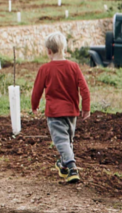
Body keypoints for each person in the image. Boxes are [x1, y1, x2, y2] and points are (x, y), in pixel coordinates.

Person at [31, 32, 91, 184]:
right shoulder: (74, 67)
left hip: (55, 113)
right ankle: (63, 165)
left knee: (61, 141)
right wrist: (86, 108)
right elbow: (84, 89)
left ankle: (72, 167)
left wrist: (35, 105)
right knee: (67, 141)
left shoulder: (45, 69)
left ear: (49, 51)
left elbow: (37, 90)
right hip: (71, 112)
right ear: (64, 49)